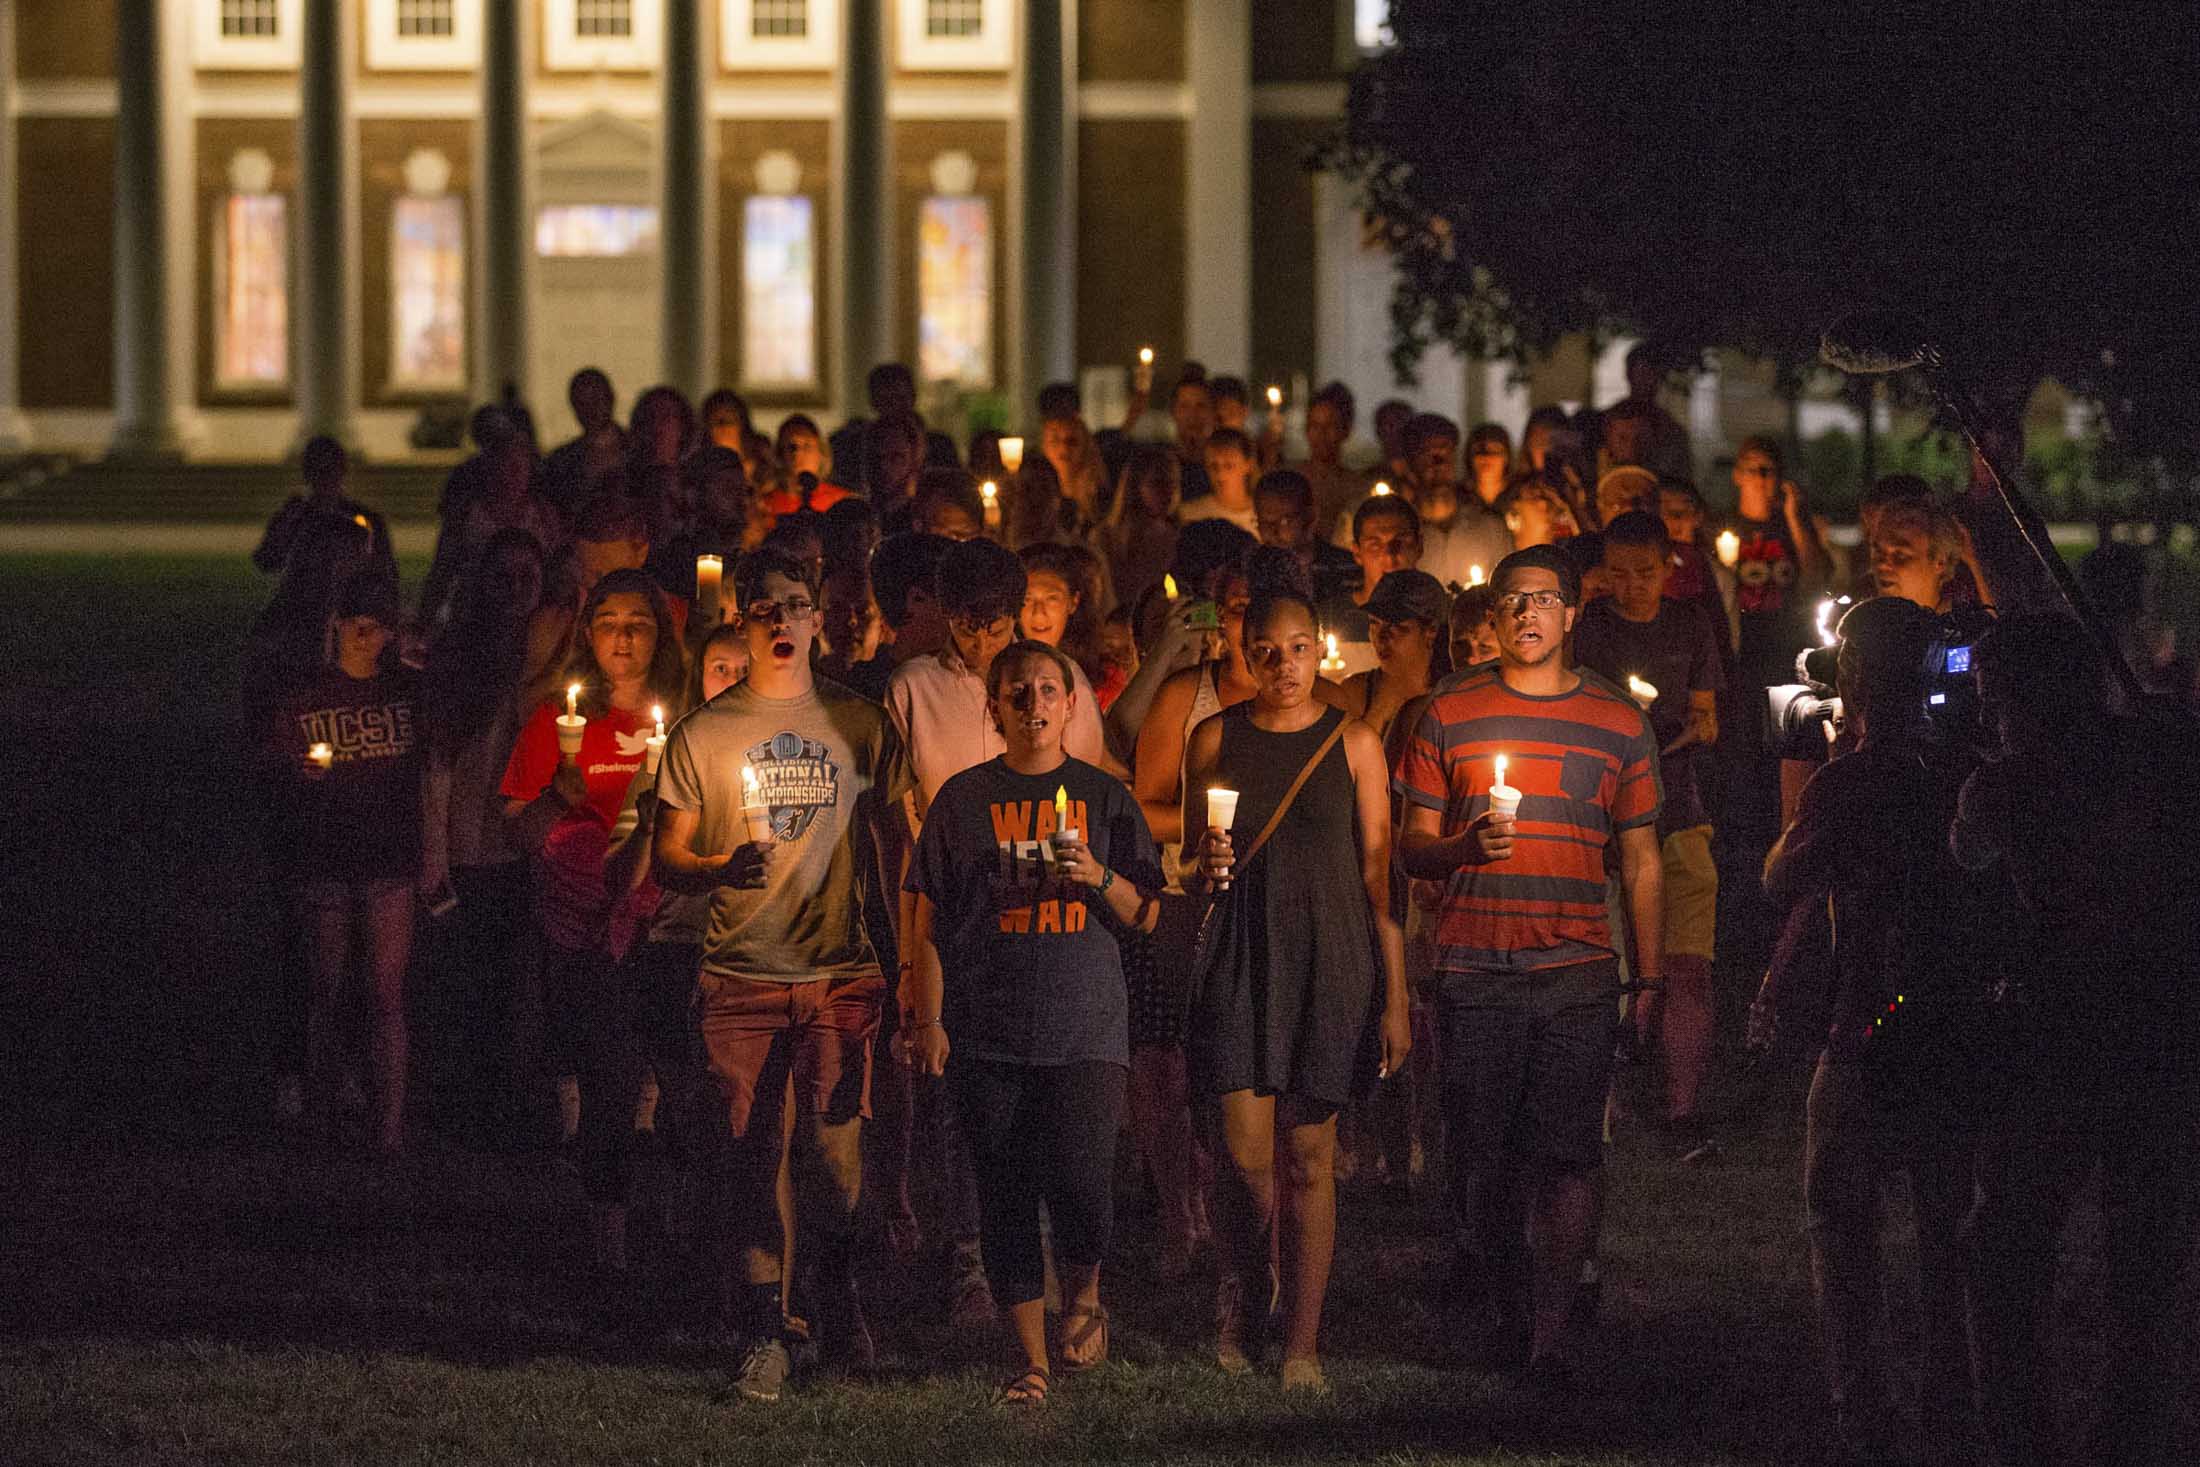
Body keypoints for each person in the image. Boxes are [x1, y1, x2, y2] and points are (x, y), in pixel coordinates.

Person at [1394, 545, 1663, 1387]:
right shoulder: (1448, 710)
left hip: (1578, 966)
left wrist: (1648, 979)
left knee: (1571, 1152)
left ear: (1573, 613)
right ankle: (1509, 1300)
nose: (1526, 614)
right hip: (1476, 966)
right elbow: (1410, 846)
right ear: (1492, 616)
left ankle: (1550, 1328)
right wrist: (1458, 848)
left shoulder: (1619, 721)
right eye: (1511, 601)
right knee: (1485, 1155)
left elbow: (1644, 858)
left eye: (1544, 599)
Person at [652, 547, 904, 1400]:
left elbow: (892, 846)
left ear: (816, 618)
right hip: (742, 971)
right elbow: (668, 857)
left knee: (834, 1157)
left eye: (797, 606)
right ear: (744, 620)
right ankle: (770, 1325)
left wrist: (903, 959)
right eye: (765, 608)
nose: (782, 621)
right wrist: (719, 865)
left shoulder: (862, 724)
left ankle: (836, 1292)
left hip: (838, 970)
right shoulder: (703, 733)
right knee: (755, 1154)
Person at [1951, 612, 2200, 1467]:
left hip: (2062, 1034)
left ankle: (2022, 1436)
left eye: (1995, 699)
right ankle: (2132, 1430)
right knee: (2145, 1249)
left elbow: (1970, 850)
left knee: (2009, 1245)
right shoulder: (2154, 758)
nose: (1988, 719)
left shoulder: (2008, 785)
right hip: (2158, 1030)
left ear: (2030, 696)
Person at [1749, 596, 1981, 1464]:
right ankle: (1957, 1398)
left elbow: (1781, 876)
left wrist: (1828, 767)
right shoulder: (1969, 766)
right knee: (1946, 1222)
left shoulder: (1854, 777)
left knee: (1841, 1222)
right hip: (1961, 1021)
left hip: (1869, 1026)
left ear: (1853, 675)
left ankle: (1864, 1413)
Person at [902, 640, 1164, 1406]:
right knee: (1005, 1191)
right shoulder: (962, 799)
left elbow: (1146, 913)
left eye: (1048, 689)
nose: (1034, 703)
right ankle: (1031, 1360)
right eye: (1017, 692)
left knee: (1083, 1185)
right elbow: (930, 917)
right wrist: (929, 1015)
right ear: (994, 706)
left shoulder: (1104, 796)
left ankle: (1083, 1293)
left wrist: (1098, 875)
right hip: (989, 1025)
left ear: (1071, 703)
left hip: (1083, 1025)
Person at [1181, 573, 1410, 1391]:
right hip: (1244, 952)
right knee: (1244, 1157)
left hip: (1329, 955)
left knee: (1310, 1155)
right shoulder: (1213, 736)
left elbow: (1381, 877)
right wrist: (1200, 864)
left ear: (1322, 651)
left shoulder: (1356, 743)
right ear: (1245, 655)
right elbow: (1189, 860)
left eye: (1298, 649)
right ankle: (1243, 1289)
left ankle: (1303, 1341)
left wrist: (1395, 996)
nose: (1283, 664)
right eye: (1265, 651)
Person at [500, 568, 687, 1274]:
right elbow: (516, 828)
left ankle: (671, 1221)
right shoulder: (556, 723)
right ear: (587, 633)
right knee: (607, 1082)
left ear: (659, 633)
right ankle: (609, 1246)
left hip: (664, 927)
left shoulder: (682, 721)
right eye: (607, 622)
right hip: (580, 933)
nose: (622, 638)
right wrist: (557, 796)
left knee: (672, 1083)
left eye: (638, 623)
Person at [1569, 512, 1724, 1142]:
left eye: (1647, 572)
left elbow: (1708, 719)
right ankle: (1602, 1104)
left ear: (1668, 569)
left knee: (1689, 964)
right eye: (1620, 573)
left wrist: (1660, 742)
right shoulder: (1590, 631)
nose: (1633, 585)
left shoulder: (1690, 625)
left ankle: (1681, 1107)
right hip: (1600, 824)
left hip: (1678, 814)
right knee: (1604, 967)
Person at [272, 570, 426, 1157]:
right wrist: (300, 776)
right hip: (326, 857)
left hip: (389, 857)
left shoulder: (406, 693)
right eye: (356, 626)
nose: (367, 638)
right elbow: (274, 774)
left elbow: (439, 752)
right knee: (326, 989)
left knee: (388, 993)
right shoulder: (307, 696)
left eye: (377, 628)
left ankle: (388, 1133)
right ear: (335, 625)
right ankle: (321, 1117)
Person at [420, 529, 547, 1145]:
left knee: (520, 984)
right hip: (473, 842)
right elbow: (439, 767)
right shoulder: (462, 657)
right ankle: (467, 1105)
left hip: (529, 842)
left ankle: (513, 1101)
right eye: (506, 577)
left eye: (530, 576)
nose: (519, 590)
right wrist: (435, 857)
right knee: (470, 982)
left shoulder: (548, 651)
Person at [419, 427, 561, 629]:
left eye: (516, 468)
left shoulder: (544, 515)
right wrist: (424, 621)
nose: (508, 477)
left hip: (531, 617)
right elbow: (442, 569)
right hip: (474, 616)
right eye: (501, 467)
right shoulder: (466, 515)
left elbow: (557, 568)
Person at [252, 435, 397, 590]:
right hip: (303, 604)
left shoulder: (365, 520)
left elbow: (386, 572)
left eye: (329, 470)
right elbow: (266, 561)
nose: (324, 479)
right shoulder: (294, 517)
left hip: (349, 605)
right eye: (319, 471)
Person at [1316, 495, 1425, 679]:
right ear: (1357, 552)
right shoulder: (1327, 619)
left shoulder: (1442, 617)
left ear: (1419, 546)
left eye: (1400, 542)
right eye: (1375, 545)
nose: (1390, 556)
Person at [841, 532, 953, 704]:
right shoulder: (865, 696)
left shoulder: (964, 679)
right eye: (952, 599)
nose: (964, 616)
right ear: (917, 600)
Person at [1019, 542, 1122, 710]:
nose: (1038, 612)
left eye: (1052, 599)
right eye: (1027, 599)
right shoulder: (998, 672)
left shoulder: (1102, 678)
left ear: (1073, 602)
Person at [1091, 444, 1182, 616]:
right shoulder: (1106, 538)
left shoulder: (1178, 538)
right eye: (1158, 483)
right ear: (1135, 487)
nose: (1169, 492)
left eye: (1174, 483)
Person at [1254, 469, 1359, 604]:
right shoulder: (1252, 573)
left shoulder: (1346, 567)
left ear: (1310, 517)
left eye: (1284, 521)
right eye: (1264, 522)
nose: (1273, 531)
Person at [1289, 381, 1371, 544]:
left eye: (1330, 425)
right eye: (1315, 425)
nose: (1321, 434)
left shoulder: (1358, 486)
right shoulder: (1290, 480)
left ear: (1345, 430)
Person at [540, 368, 626, 521]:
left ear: (610, 399)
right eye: (582, 403)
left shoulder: (639, 449)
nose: (590, 409)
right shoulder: (560, 461)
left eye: (595, 399)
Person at [1183, 427, 1259, 534]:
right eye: (1213, 465)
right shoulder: (1190, 514)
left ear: (1248, 465)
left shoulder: (1264, 515)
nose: (1220, 473)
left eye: (1229, 465)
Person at [1169, 370, 1218, 502]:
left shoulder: (1222, 468)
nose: (1192, 415)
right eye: (1184, 406)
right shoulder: (1163, 465)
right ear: (1173, 412)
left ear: (1213, 412)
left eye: (1200, 406)